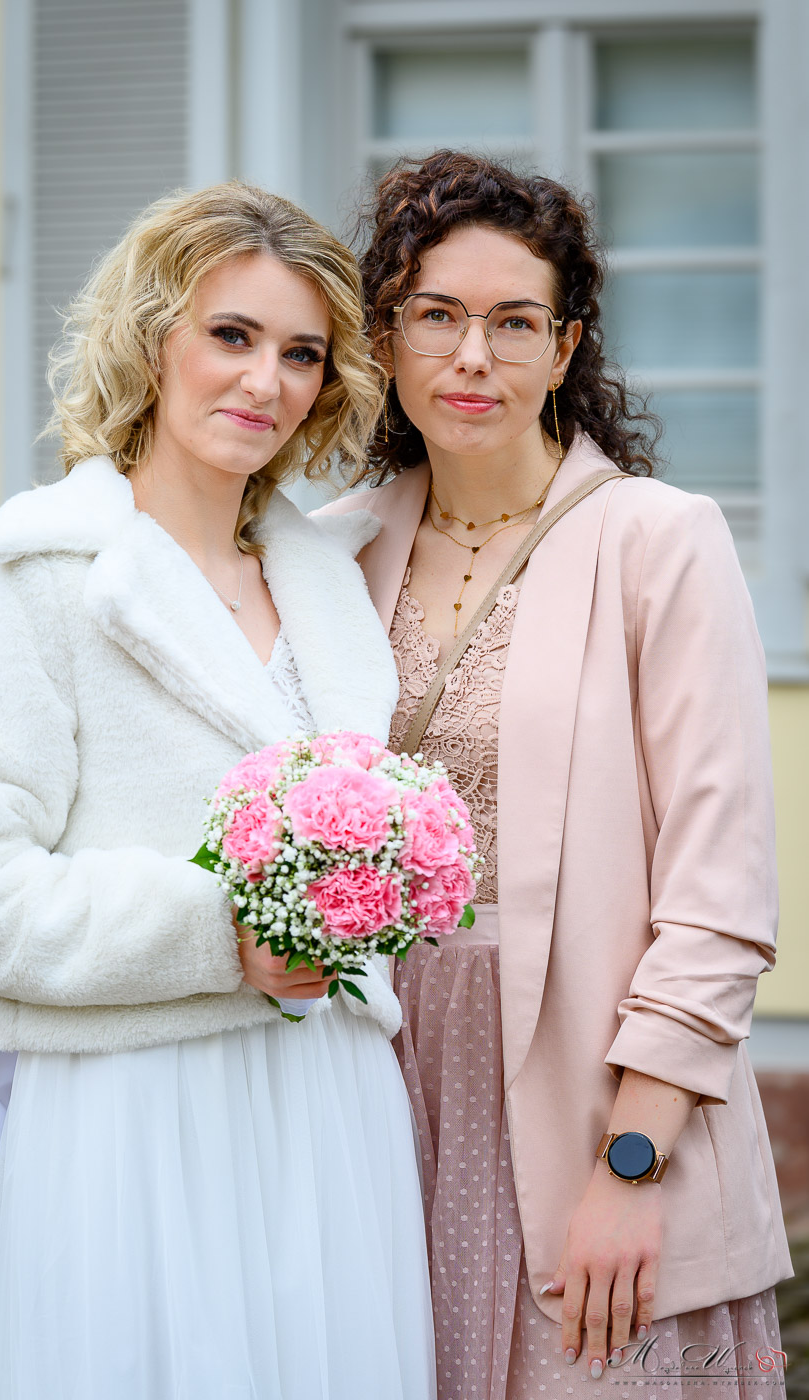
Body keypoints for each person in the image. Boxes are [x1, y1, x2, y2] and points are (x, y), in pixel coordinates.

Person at [0, 183, 436, 1400]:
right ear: (152, 341)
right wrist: (216, 933)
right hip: (139, 1112)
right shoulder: (49, 571)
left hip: (328, 1101)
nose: (265, 381)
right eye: (230, 336)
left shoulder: (330, 580)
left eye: (300, 352)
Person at [318, 151, 791, 1399]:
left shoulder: (658, 540)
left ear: (565, 341)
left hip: (593, 1095)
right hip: (368, 1093)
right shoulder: (330, 552)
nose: (472, 357)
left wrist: (633, 1163)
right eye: (435, 315)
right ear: (384, 334)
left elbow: (719, 893)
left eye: (513, 320)